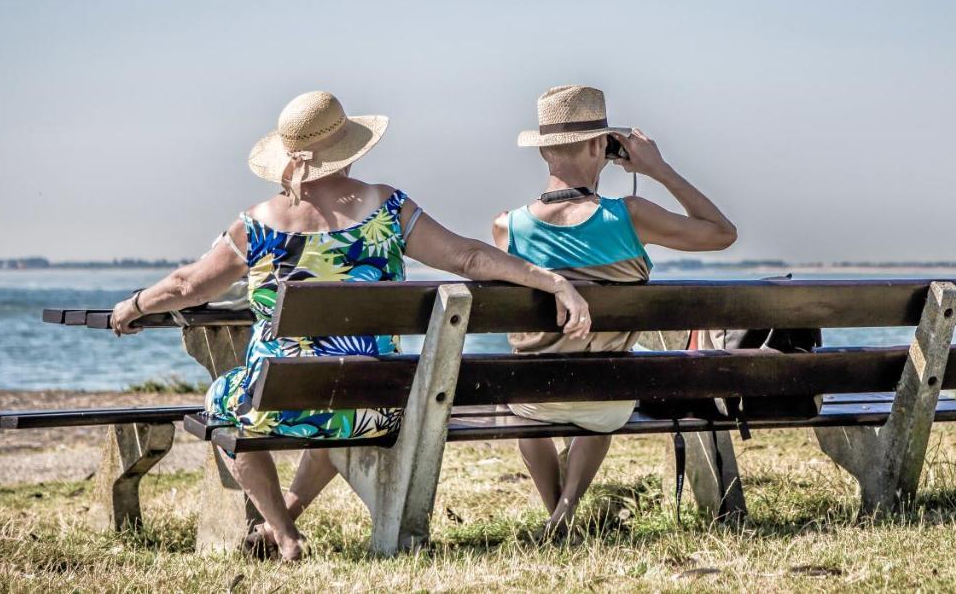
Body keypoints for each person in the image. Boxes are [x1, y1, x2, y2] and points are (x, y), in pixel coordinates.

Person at [110, 90, 591, 561]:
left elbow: (186, 285)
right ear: (347, 150)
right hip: (377, 405)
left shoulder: (257, 224)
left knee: (223, 401)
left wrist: (132, 305)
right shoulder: (389, 207)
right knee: (338, 393)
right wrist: (550, 281)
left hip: (277, 407)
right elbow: (469, 256)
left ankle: (283, 531)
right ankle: (286, 519)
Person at [493, 84, 736, 535]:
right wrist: (658, 169)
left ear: (545, 152)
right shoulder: (632, 215)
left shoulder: (507, 227)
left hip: (533, 399)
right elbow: (722, 233)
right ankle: (566, 509)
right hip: (608, 397)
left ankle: (556, 514)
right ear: (599, 146)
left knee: (520, 405)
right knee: (604, 389)